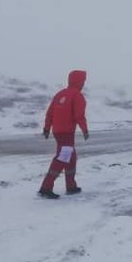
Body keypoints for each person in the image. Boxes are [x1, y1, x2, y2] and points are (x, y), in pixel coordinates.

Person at [38, 69, 89, 199]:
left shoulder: (60, 94)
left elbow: (50, 113)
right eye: (83, 81)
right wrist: (84, 129)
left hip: (58, 132)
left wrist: (47, 128)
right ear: (79, 81)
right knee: (62, 158)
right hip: (67, 133)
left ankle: (71, 186)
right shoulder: (77, 95)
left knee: (71, 157)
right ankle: (46, 188)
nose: (83, 84)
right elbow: (79, 115)